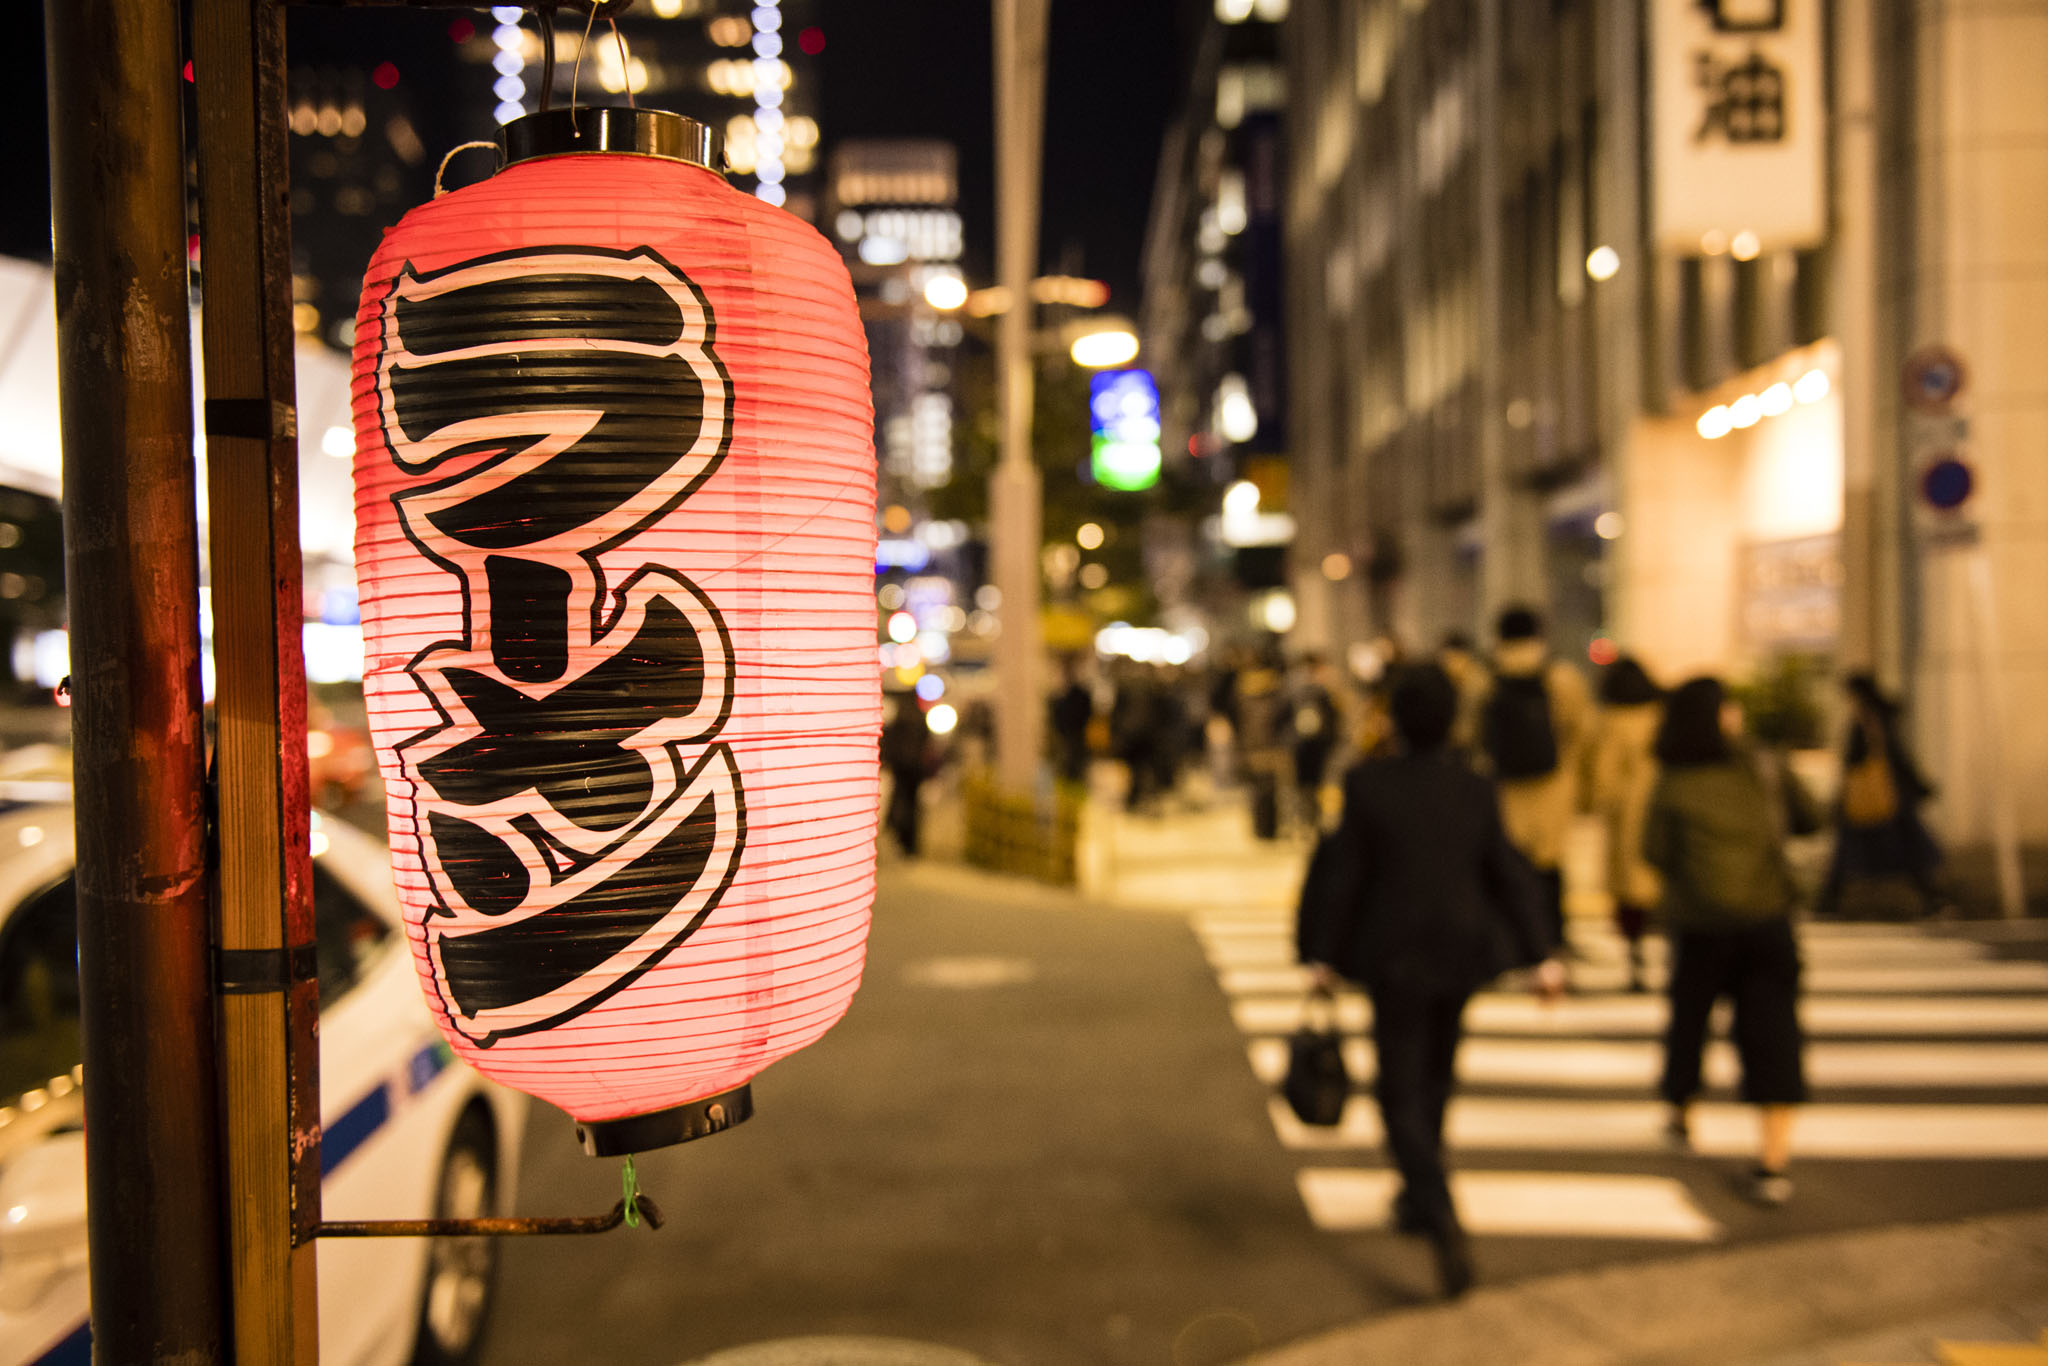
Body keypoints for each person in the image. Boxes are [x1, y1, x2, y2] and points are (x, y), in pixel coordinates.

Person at [1298, 664, 1563, 1298]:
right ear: (1451, 721)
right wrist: (1541, 953)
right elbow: (1506, 871)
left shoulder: (1368, 786)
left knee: (1399, 1089)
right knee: (1438, 1075)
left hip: (1394, 958)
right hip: (1461, 953)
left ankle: (1434, 1205)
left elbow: (1344, 879)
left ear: (1393, 718)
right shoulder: (1473, 788)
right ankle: (1421, 1195)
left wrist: (1321, 955)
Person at [1643, 677, 1807, 1207]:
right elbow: (1811, 816)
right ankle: (1772, 1162)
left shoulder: (1673, 780)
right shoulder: (1762, 764)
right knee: (1773, 1033)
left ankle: (1681, 1112)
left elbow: (1655, 852)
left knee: (1690, 1018)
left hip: (1700, 925)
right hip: (1767, 919)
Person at [1482, 605, 1593, 954]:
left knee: (1511, 866)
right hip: (1553, 787)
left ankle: (1513, 939)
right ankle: (1552, 938)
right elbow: (1582, 731)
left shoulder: (1487, 679)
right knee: (1550, 867)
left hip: (1505, 789)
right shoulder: (1561, 677)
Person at [1816, 673, 1945, 919]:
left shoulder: (1867, 721)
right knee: (1906, 848)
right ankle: (1931, 896)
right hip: (1890, 796)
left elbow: (1865, 760)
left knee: (1861, 848)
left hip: (1878, 796)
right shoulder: (1881, 718)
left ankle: (1829, 899)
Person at [1588, 656, 1665, 991]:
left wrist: (1598, 804)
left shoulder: (1612, 721)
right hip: (1661, 809)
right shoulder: (1660, 716)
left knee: (1630, 897)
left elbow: (1603, 777)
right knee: (1659, 887)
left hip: (1626, 818)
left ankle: (1636, 965)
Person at [879, 696, 934, 856]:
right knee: (913, 805)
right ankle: (911, 844)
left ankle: (899, 833)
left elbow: (890, 742)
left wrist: (889, 760)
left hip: (901, 768)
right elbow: (927, 745)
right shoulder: (921, 718)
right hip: (915, 769)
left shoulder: (900, 719)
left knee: (900, 802)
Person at [1048, 657, 1094, 786]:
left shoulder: (1074, 695)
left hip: (1075, 734)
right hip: (1072, 733)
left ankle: (1074, 785)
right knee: (1071, 763)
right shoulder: (1064, 694)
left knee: (1073, 763)